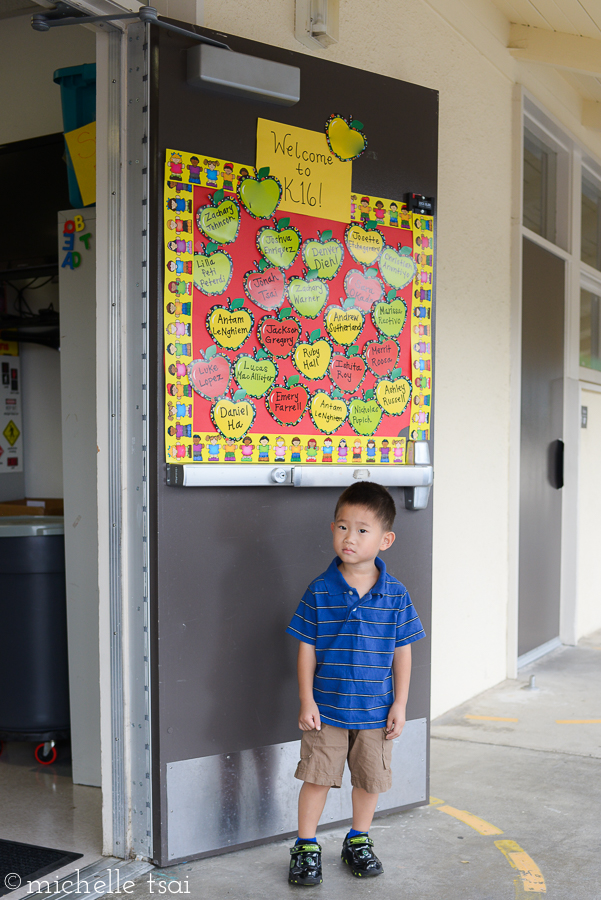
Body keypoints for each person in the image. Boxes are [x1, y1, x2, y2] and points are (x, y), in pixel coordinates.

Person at [286, 482, 425, 886]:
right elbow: (307, 648)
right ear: (332, 529)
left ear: (386, 539)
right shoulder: (319, 590)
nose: (350, 537)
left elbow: (403, 652)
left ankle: (358, 839)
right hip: (326, 710)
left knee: (369, 780)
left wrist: (399, 704)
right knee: (317, 778)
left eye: (363, 530)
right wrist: (306, 699)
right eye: (342, 527)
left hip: (375, 710)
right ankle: (306, 846)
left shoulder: (396, 595)